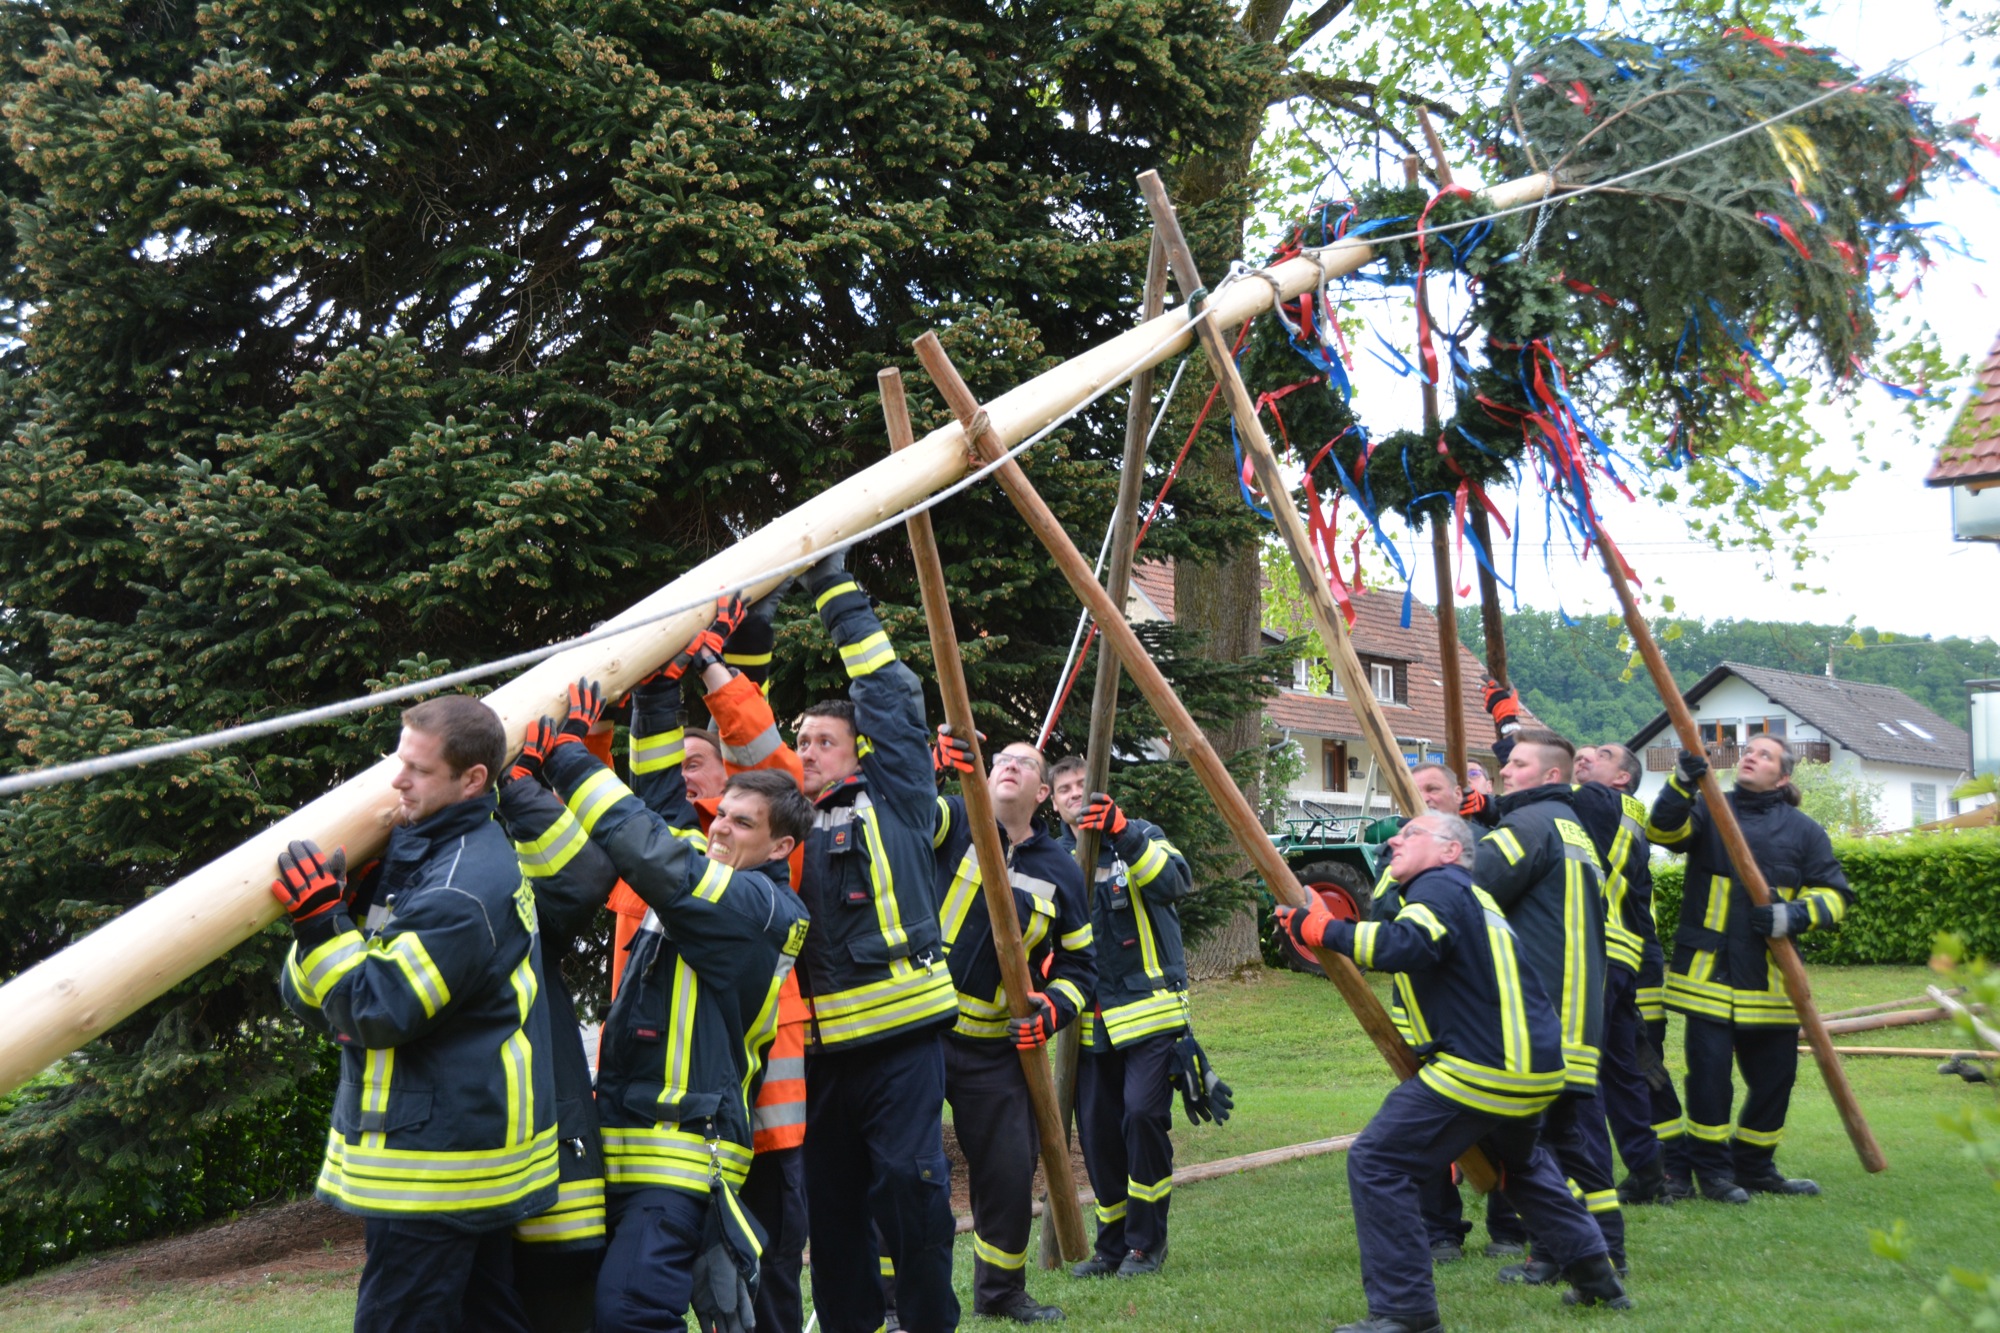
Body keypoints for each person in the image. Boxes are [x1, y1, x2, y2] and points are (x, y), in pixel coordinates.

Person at [519, 680, 810, 1331]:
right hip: (623, 1149)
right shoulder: (711, 877)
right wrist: (657, 695)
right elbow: (658, 801)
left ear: (782, 848)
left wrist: (566, 757)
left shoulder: (760, 909)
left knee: (631, 1314)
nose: (719, 827)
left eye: (741, 822)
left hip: (681, 1158)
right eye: (721, 813)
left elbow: (651, 847)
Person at [1274, 813, 1630, 1333]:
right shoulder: (1470, 896)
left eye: (1410, 833)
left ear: (1449, 851)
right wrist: (1333, 927)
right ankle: (1597, 1277)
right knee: (1522, 1167)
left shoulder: (1439, 887)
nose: (1394, 837)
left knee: (1378, 1162)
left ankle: (1404, 1311)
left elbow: (1408, 947)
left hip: (1485, 1067)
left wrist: (1323, 929)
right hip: (1533, 1068)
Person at [274, 694, 558, 1332]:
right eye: (397, 761)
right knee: (485, 1318)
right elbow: (333, 996)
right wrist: (337, 924)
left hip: (437, 1168)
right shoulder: (431, 857)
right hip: (457, 1150)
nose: (397, 780)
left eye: (419, 770)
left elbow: (369, 1013)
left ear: (473, 779)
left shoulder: (458, 889)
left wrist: (322, 927)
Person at [792, 550, 961, 1333]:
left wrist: (834, 590)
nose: (808, 751)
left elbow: (890, 695)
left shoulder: (895, 795)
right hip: (821, 1055)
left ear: (858, 751)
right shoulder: (779, 821)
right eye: (802, 741)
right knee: (830, 1212)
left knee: (907, 1184)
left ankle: (927, 1322)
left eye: (824, 740)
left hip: (901, 1039)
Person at [930, 737, 1095, 1323]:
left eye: (1024, 762)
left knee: (1006, 1170)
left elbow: (1081, 969)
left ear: (1042, 792)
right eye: (1001, 758)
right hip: (922, 1032)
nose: (1008, 764)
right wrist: (931, 766)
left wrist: (1050, 1012)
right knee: (909, 1169)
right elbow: (903, 815)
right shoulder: (952, 820)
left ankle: (1000, 1295)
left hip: (997, 1049)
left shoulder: (1061, 873)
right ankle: (897, 1303)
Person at [1647, 735, 1851, 1199]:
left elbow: (1837, 896)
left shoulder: (1805, 832)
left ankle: (1756, 1167)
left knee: (1775, 1081)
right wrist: (1682, 784)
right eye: (1748, 752)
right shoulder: (1710, 810)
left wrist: (1792, 915)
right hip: (1708, 976)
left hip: (1771, 982)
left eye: (1763, 754)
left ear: (1782, 776)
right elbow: (1662, 833)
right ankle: (1713, 1173)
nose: (1749, 757)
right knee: (1710, 1078)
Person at [1474, 729, 1625, 1282]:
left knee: (1532, 1143)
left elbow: (1466, 889)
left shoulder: (1526, 828)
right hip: (1577, 1012)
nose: (1503, 772)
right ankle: (1599, 1252)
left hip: (1538, 1013)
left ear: (1551, 776)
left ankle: (1563, 1253)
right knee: (1567, 1141)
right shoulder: (1573, 828)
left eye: (1515, 764)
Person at [1049, 758, 1198, 1279]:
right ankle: (1111, 1248)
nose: (1072, 794)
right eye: (1062, 788)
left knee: (1140, 1118)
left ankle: (1146, 1245)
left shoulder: (1143, 835)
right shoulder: (1054, 859)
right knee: (1097, 1136)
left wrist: (1123, 833)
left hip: (1152, 1016)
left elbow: (1177, 882)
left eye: (1079, 785)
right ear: (1051, 800)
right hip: (1088, 1025)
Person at [1366, 762, 1486, 1264]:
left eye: (1434, 788)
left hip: (1474, 1025)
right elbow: (1382, 920)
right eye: (1413, 792)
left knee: (1499, 1134)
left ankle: (1512, 1227)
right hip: (1419, 1022)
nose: (1424, 797)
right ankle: (1440, 1231)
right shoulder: (1397, 864)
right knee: (1425, 1133)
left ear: (1460, 795)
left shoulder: (1481, 851)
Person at [1570, 742, 1686, 1206]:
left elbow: (1536, 799)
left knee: (1589, 1071)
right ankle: (1650, 1171)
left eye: (1601, 753)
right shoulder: (1623, 812)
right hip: (1628, 959)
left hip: (1598, 955)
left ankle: (1587, 1180)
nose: (1584, 755)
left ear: (1622, 777)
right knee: (1629, 1067)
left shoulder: (1597, 803)